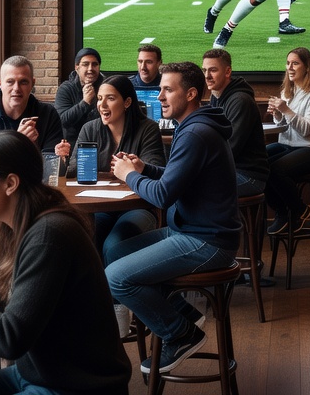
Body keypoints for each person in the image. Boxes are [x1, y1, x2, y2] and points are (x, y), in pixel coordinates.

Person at [0, 132, 132, 395]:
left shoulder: (49, 234)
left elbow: (10, 338)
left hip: (76, 387)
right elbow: (21, 290)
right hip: (39, 375)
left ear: (10, 184)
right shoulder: (23, 225)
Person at [105, 62, 241, 375]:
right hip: (191, 231)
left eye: (168, 89)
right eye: (161, 89)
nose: (160, 95)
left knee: (115, 276)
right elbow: (179, 178)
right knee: (115, 251)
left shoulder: (195, 132)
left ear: (191, 94)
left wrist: (128, 176)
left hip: (207, 241)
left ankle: (179, 333)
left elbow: (164, 196)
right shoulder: (193, 126)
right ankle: (183, 313)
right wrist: (145, 170)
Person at [64, 74, 167, 254]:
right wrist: (63, 160)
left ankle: (116, 282)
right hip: (100, 206)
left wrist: (135, 166)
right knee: (88, 239)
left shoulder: (148, 128)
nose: (102, 105)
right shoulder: (90, 128)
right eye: (99, 99)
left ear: (127, 102)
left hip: (138, 206)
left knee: (114, 245)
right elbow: (74, 170)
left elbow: (154, 170)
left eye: (110, 99)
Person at [264, 47, 310, 234]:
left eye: (295, 63)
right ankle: (283, 212)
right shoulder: (288, 90)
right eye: (288, 63)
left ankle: (299, 209)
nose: (290, 68)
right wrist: (278, 114)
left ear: (308, 67)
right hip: (289, 145)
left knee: (276, 169)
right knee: (258, 164)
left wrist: (285, 110)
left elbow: (307, 129)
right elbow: (284, 126)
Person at [202, 48, 270, 198]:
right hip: (229, 171)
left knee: (196, 191)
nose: (207, 76)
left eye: (213, 70)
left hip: (248, 176)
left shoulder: (240, 101)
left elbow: (231, 147)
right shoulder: (216, 95)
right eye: (204, 70)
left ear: (227, 72)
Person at [0, 55, 64, 162]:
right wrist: (18, 143)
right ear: (0, 83)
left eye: (23, 82)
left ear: (32, 83)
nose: (16, 88)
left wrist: (61, 157)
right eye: (10, 82)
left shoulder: (48, 113)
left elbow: (51, 165)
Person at [55, 47, 103, 153]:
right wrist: (85, 103)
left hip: (101, 144)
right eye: (85, 64)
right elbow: (63, 120)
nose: (90, 68)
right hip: (73, 147)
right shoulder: (66, 88)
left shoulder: (105, 87)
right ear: (77, 67)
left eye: (94, 64)